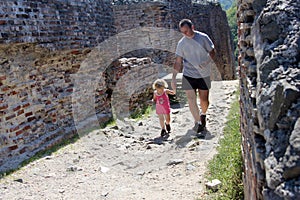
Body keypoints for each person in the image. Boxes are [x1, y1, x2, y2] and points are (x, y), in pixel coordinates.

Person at [171, 19, 216, 136]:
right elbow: (178, 61)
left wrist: (206, 62)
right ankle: (198, 123)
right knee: (191, 99)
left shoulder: (203, 37)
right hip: (188, 74)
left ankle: (203, 115)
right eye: (183, 32)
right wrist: (174, 78)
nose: (185, 34)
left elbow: (212, 51)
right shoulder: (181, 43)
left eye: (187, 31)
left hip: (203, 74)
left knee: (204, 100)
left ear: (192, 27)